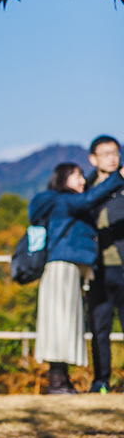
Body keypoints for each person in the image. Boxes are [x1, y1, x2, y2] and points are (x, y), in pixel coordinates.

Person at [29, 162, 124, 394]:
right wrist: (118, 176)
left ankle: (60, 380)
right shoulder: (64, 200)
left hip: (70, 269)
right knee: (60, 322)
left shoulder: (64, 202)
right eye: (77, 176)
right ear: (63, 180)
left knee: (65, 321)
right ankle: (58, 381)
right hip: (63, 268)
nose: (82, 180)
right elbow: (90, 199)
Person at [85, 135, 124, 394]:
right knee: (99, 328)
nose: (112, 157)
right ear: (93, 158)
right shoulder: (85, 188)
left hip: (122, 266)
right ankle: (101, 381)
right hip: (96, 268)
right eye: (106, 153)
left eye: (116, 153)